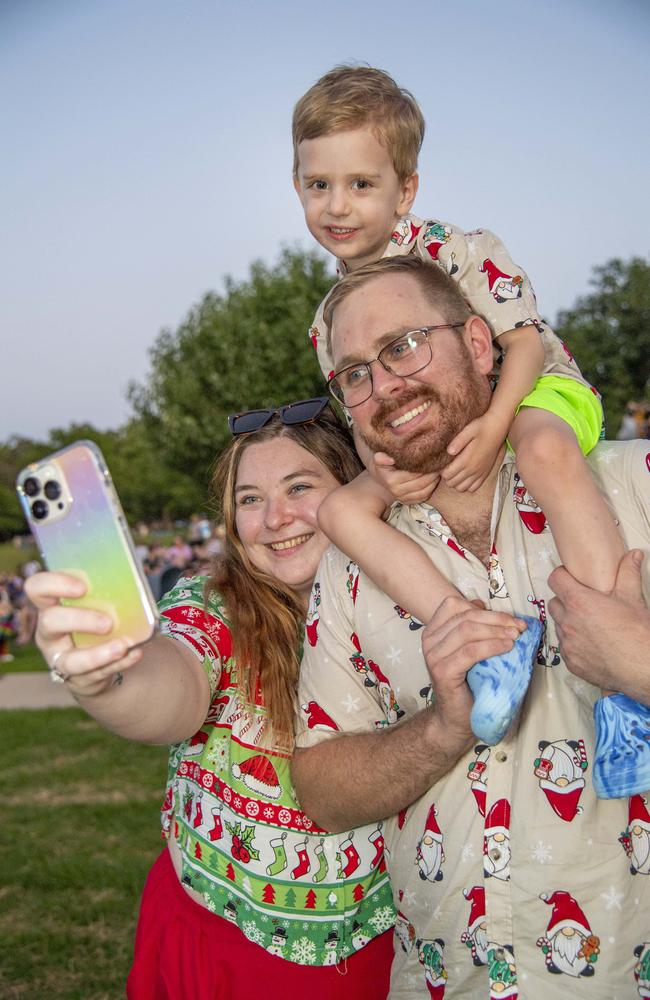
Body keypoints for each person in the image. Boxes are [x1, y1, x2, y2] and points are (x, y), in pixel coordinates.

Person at [291, 257, 650, 998]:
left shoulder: (634, 481)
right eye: (353, 373)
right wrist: (443, 729)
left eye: (403, 345)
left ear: (483, 344)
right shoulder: (350, 564)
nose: (384, 385)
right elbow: (322, 792)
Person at [291, 64, 640, 793]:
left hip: (533, 390)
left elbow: (522, 343)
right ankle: (476, 641)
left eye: (361, 184)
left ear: (405, 189)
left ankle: (624, 668)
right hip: (461, 422)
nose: (338, 205)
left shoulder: (459, 248)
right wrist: (381, 469)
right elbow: (360, 408)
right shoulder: (329, 318)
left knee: (545, 452)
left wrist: (498, 429)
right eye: (318, 185)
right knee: (339, 510)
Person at [26, 400, 394, 1000]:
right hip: (217, 942)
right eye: (249, 499)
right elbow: (174, 687)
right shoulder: (213, 602)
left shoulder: (408, 599)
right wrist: (109, 680)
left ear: (355, 491)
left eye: (299, 487)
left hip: (376, 940)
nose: (274, 518)